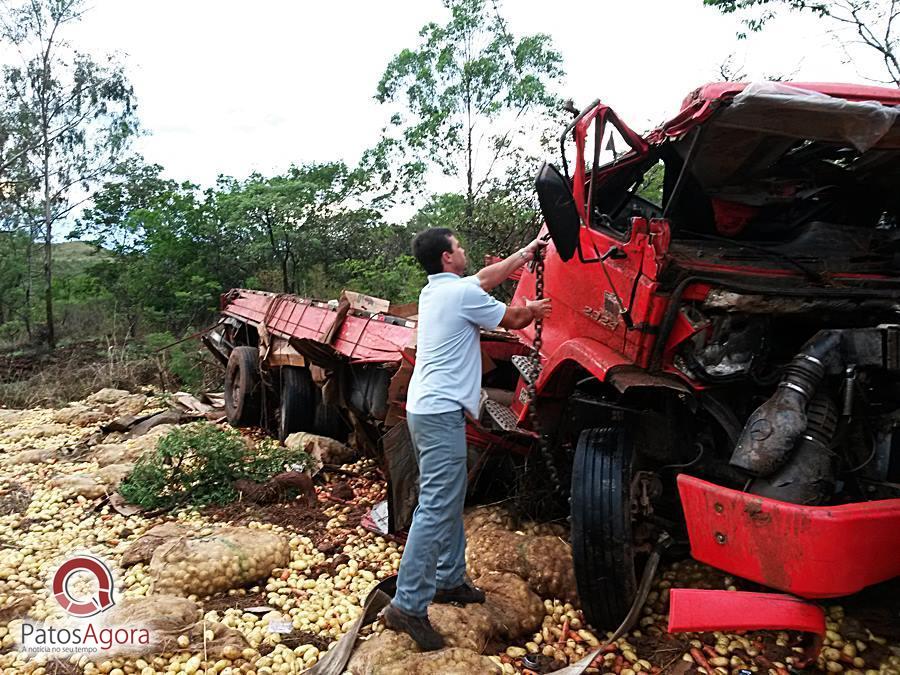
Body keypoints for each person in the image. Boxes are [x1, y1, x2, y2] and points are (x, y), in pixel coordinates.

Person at [382, 227, 552, 650]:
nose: (465, 251)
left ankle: (450, 579)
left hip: (428, 410)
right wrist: (536, 308)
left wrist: (525, 252)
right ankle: (407, 605)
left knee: (448, 497)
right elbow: (512, 319)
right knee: (436, 506)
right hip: (439, 414)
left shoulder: (437, 291)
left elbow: (487, 277)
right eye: (458, 247)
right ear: (446, 258)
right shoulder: (460, 295)